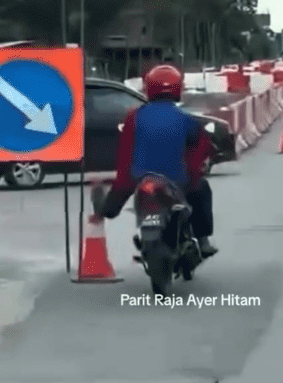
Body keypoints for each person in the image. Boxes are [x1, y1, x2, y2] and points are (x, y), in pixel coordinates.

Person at [91, 64, 218, 257]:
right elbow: (201, 147)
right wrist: (196, 169)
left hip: (140, 178)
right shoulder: (184, 119)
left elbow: (125, 157)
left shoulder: (134, 118)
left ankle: (103, 210)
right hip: (176, 180)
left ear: (149, 88)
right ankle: (203, 239)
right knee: (201, 189)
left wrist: (113, 202)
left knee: (119, 192)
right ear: (178, 89)